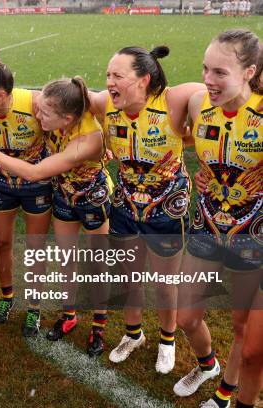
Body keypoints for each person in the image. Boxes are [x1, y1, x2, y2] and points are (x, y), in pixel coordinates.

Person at [0, 75, 113, 351]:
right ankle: (69, 315)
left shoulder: (89, 139)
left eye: (44, 113)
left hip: (92, 197)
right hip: (63, 193)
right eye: (39, 107)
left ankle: (99, 325)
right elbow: (0, 91)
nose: (36, 114)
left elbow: (35, 172)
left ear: (66, 118)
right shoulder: (56, 111)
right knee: (66, 260)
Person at [88, 45, 204, 374]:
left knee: (166, 284)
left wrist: (195, 133)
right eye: (107, 75)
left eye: (117, 76)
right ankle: (133, 335)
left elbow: (209, 96)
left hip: (167, 207)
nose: (109, 82)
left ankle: (167, 340)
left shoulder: (173, 100)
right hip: (125, 205)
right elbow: (76, 93)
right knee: (130, 277)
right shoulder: (105, 103)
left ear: (144, 80)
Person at [174, 29, 262, 407]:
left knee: (243, 328)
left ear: (250, 71)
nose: (209, 80)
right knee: (185, 317)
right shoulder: (197, 103)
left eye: (220, 72)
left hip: (250, 235)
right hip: (205, 227)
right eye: (204, 69)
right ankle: (207, 364)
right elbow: (156, 97)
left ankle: (227, 390)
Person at [0, 46, 52, 333]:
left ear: (1, 95)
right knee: (2, 243)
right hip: (2, 185)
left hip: (36, 184)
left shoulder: (35, 104)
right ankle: (7, 296)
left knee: (35, 248)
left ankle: (35, 307)